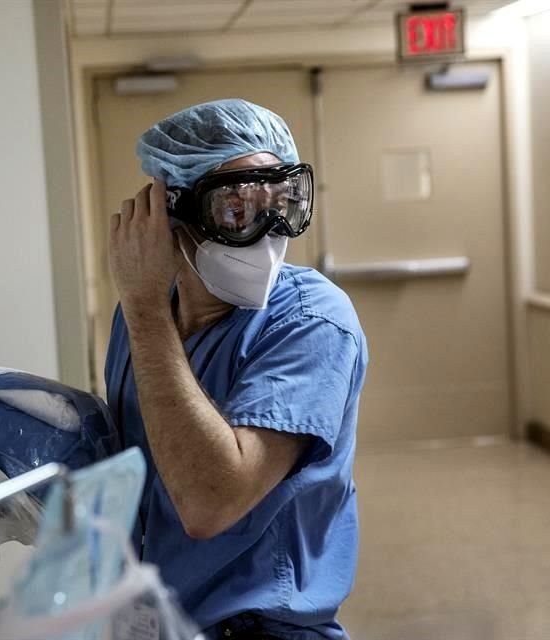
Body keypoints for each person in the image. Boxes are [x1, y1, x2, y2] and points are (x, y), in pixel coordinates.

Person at [105, 99, 368, 639]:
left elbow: (209, 501)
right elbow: (139, 461)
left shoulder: (312, 320)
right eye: (238, 208)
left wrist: (146, 312)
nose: (270, 231)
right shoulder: (147, 311)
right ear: (168, 213)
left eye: (284, 202)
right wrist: (33, 490)